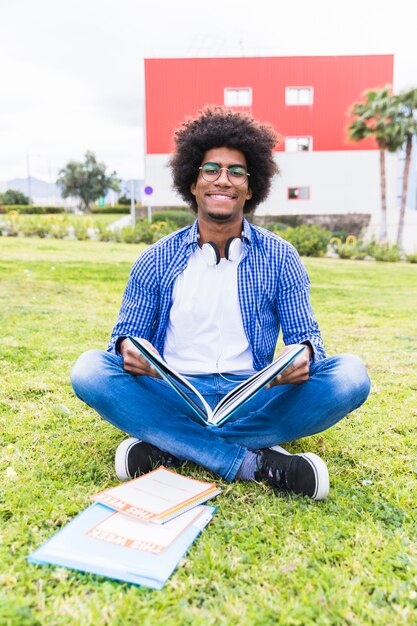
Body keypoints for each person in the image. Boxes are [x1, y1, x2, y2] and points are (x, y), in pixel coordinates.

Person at [71, 106, 370, 501]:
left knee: (350, 375)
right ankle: (252, 463)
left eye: (236, 172)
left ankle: (169, 445)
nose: (223, 180)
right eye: (210, 170)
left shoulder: (281, 257)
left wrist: (301, 358)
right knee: (90, 369)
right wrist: (129, 351)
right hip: (174, 391)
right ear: (192, 183)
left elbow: (307, 339)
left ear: (251, 186)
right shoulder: (155, 259)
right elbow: (123, 340)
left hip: (252, 395)